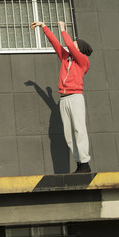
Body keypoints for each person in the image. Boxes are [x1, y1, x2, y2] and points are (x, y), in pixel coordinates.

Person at [30, 21, 93, 173]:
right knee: (69, 134)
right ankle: (79, 163)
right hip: (64, 98)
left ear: (80, 48)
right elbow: (55, 43)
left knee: (79, 130)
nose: (72, 45)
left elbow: (69, 45)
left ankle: (85, 161)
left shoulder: (83, 61)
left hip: (76, 97)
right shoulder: (66, 58)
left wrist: (63, 29)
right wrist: (43, 26)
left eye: (75, 44)